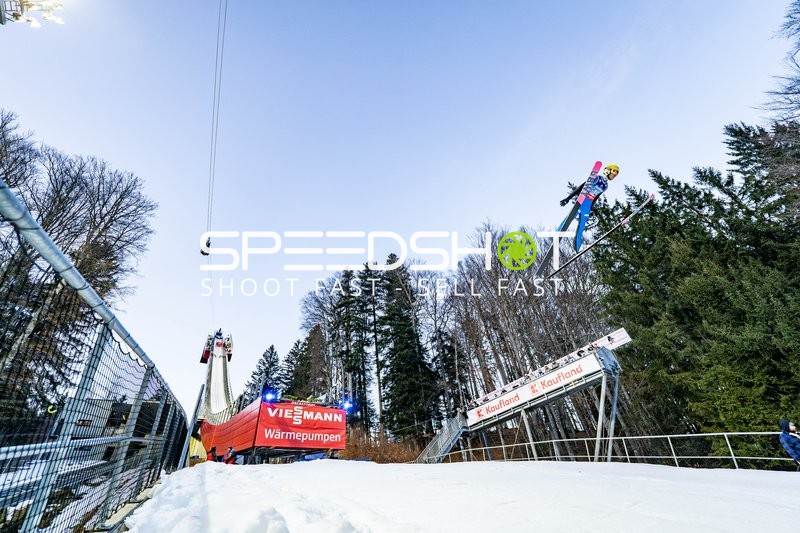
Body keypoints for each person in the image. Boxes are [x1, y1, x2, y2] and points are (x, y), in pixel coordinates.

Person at [559, 163, 619, 251]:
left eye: (615, 175)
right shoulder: (596, 178)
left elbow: (596, 197)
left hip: (588, 205)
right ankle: (557, 233)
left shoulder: (605, 186)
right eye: (613, 173)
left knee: (582, 226)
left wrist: (591, 208)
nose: (613, 176)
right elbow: (581, 187)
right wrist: (568, 198)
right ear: (607, 171)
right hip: (582, 201)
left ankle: (577, 247)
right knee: (569, 219)